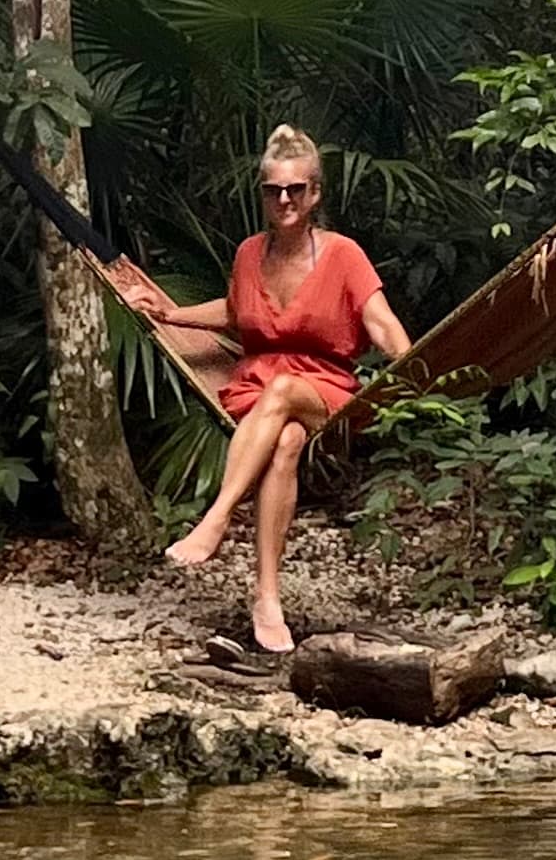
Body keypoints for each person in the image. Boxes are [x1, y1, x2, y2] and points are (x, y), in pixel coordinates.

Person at [150, 125, 411, 652]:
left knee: (287, 392)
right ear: (264, 194)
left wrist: (413, 365)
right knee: (286, 443)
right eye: (274, 190)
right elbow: (237, 311)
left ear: (315, 194)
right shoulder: (250, 252)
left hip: (326, 391)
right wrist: (173, 315)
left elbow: (379, 322)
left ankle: (216, 519)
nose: (284, 199)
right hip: (258, 389)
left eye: (295, 189)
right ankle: (268, 599)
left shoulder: (343, 255)